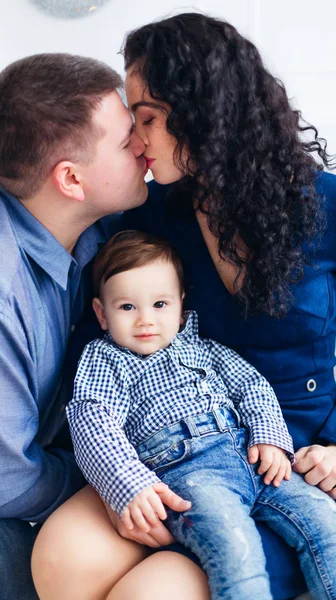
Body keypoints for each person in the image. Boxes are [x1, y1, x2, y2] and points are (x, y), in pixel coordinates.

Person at [32, 11, 336, 600]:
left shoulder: (322, 206)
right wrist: (124, 478)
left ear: (206, 114)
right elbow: (93, 355)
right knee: (63, 560)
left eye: (148, 117)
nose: (136, 139)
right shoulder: (152, 216)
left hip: (289, 463)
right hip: (173, 458)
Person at [0, 52, 148, 599]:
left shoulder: (96, 227)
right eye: (127, 140)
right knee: (2, 571)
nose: (144, 149)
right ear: (71, 179)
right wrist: (118, 474)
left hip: (10, 450)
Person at [67, 229, 336, 600]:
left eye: (159, 305)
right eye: (127, 307)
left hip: (252, 456)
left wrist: (269, 435)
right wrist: (130, 484)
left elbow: (252, 387)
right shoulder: (107, 360)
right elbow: (93, 424)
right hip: (188, 472)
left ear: (180, 307)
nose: (145, 320)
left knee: (326, 524)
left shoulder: (204, 349)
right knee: (235, 550)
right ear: (101, 313)